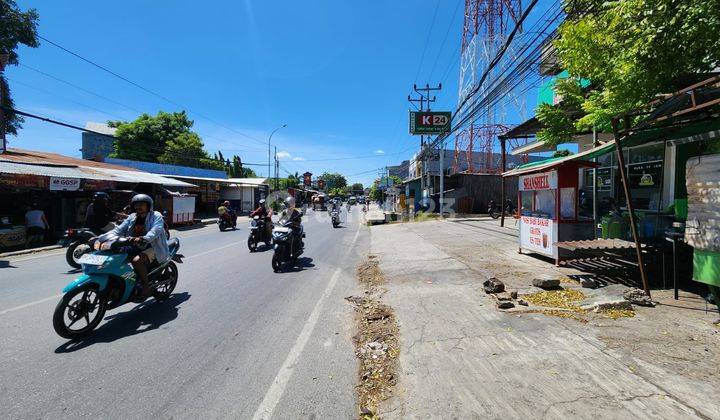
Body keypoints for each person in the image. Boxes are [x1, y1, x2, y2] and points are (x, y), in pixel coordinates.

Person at [98, 194, 168, 300]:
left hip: (152, 245)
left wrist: (144, 238)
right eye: (136, 205)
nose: (138, 207)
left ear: (148, 206)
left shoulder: (156, 215)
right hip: (133, 244)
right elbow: (118, 230)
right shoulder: (132, 217)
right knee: (114, 259)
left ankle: (146, 286)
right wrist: (100, 238)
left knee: (136, 261)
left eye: (142, 205)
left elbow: (156, 230)